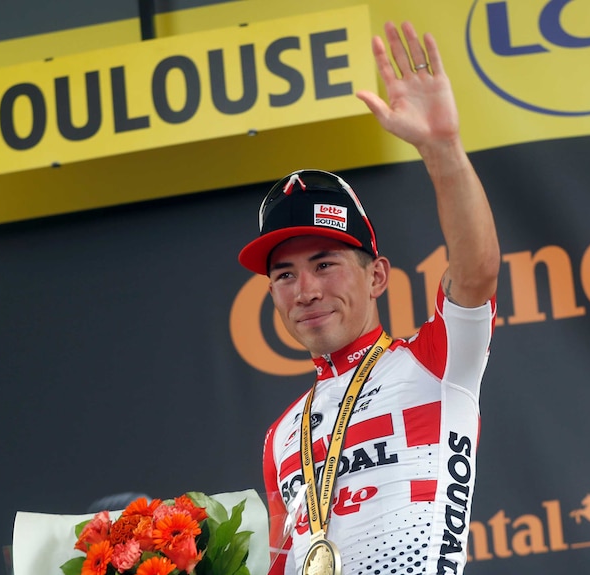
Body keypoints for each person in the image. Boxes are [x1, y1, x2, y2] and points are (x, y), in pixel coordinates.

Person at [237, 21, 500, 575]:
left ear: (377, 276)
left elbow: (475, 272)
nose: (305, 291)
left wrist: (442, 148)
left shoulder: (434, 364)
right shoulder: (283, 435)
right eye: (284, 276)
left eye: (325, 265)